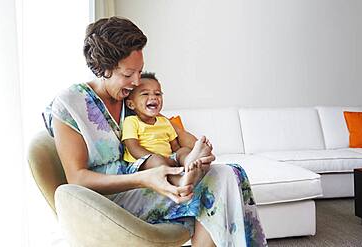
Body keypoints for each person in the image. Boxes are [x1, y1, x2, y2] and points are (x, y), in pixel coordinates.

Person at [43, 16, 267, 246]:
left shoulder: (130, 97)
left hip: (150, 181)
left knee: (229, 174)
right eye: (128, 74)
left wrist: (192, 154)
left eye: (139, 72)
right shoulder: (71, 104)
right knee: (217, 182)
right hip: (107, 204)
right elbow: (77, 178)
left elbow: (163, 132)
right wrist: (144, 179)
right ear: (103, 67)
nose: (137, 81)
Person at [122, 72, 210, 190]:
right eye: (145, 93)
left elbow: (175, 147)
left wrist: (180, 156)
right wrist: (157, 158)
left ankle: (190, 163)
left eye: (158, 94)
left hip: (166, 159)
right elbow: (133, 148)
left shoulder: (164, 122)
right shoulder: (131, 121)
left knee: (183, 150)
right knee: (156, 160)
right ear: (131, 104)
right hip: (142, 164)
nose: (153, 97)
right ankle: (179, 181)